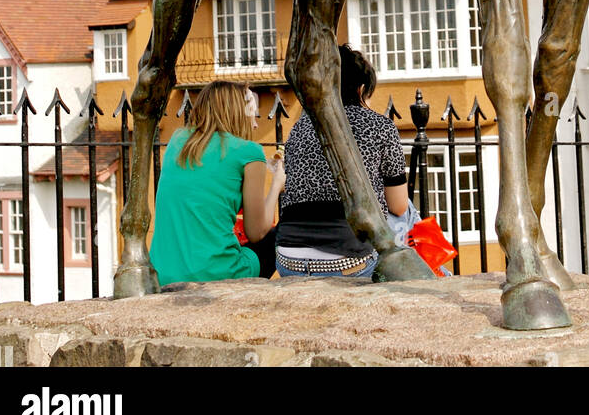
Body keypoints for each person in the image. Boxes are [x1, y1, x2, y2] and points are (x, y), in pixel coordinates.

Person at [275, 44, 408, 278]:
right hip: (348, 262)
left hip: (289, 257)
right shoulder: (380, 126)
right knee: (408, 212)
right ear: (362, 88)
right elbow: (398, 206)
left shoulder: (300, 127)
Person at [150, 80, 285, 286]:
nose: (256, 124)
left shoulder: (177, 142)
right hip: (217, 275)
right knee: (283, 232)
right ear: (237, 113)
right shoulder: (249, 151)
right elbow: (257, 233)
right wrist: (276, 185)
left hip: (163, 274)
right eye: (253, 114)